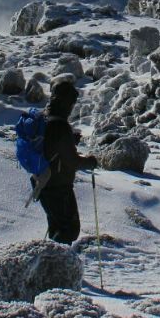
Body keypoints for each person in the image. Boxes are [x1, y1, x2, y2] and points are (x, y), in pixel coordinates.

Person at [37, 80, 98, 244]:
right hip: (59, 185)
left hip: (43, 182)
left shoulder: (45, 119)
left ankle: (52, 262)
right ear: (66, 101)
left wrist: (71, 141)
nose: (72, 107)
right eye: (71, 102)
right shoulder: (60, 124)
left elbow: (52, 148)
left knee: (57, 228)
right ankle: (57, 265)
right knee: (68, 230)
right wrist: (90, 162)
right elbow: (72, 161)